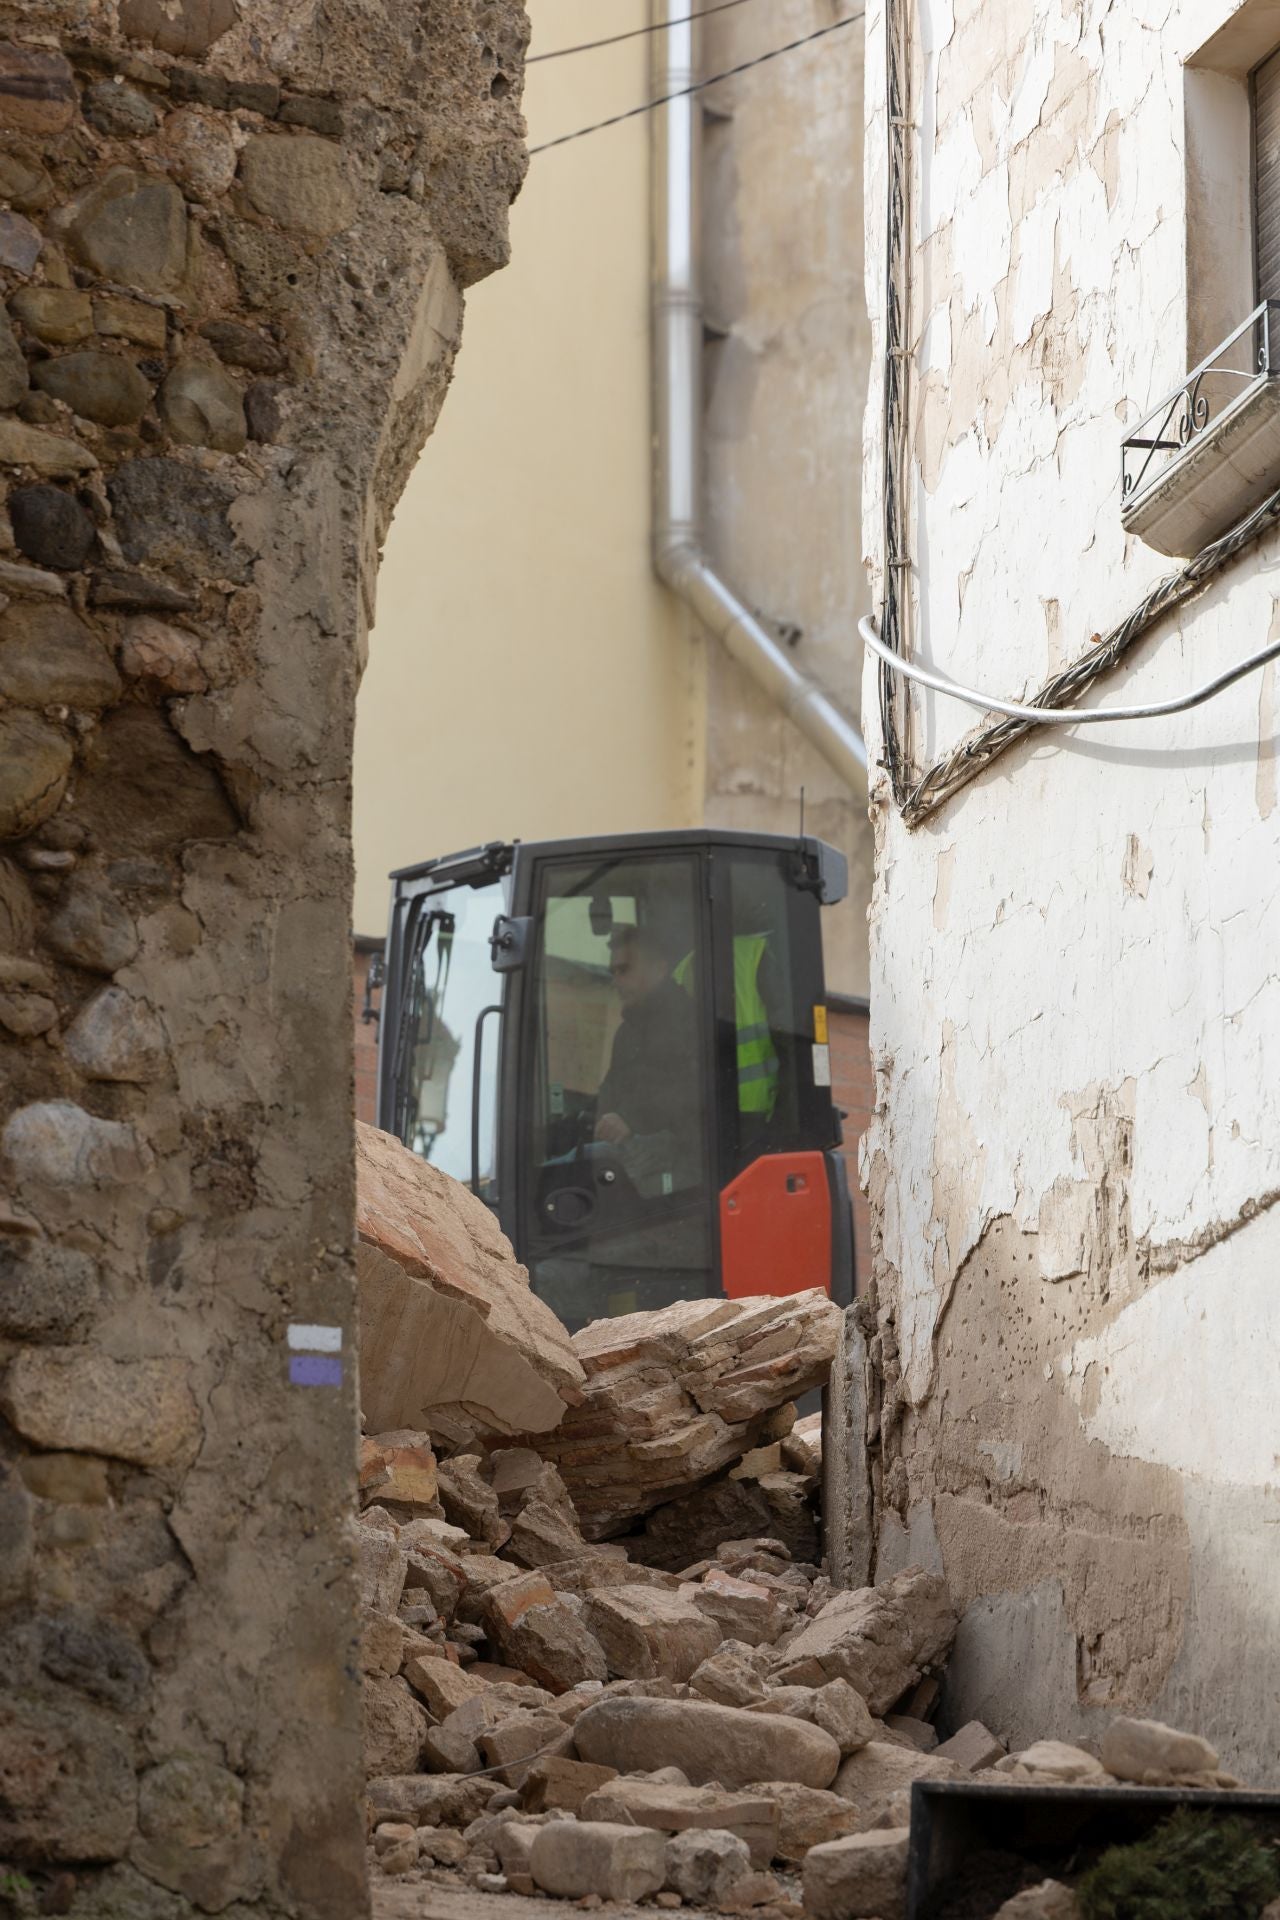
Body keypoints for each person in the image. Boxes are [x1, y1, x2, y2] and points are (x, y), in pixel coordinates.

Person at [594, 923, 700, 1183]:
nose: (615, 981)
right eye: (613, 972)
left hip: (683, 1164)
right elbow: (611, 1091)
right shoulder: (626, 1033)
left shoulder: (690, 1023)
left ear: (659, 969)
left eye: (624, 970)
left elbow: (692, 1091)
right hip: (630, 1157)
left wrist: (631, 1118)